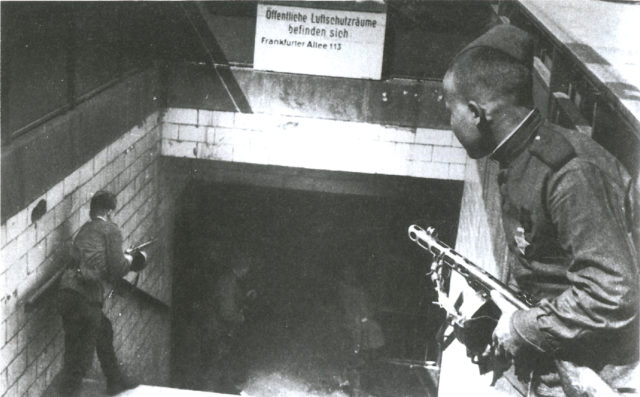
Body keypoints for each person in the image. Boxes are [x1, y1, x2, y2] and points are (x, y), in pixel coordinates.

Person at [441, 24, 639, 395]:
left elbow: (612, 293)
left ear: (476, 112)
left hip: (601, 375)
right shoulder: (521, 159)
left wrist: (522, 328)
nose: (447, 122)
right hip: (561, 361)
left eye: (448, 109)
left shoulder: (569, 172)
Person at [57, 190, 146, 396]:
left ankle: (115, 380)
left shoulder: (85, 230)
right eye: (112, 212)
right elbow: (117, 269)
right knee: (81, 358)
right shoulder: (110, 230)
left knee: (102, 330)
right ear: (107, 211)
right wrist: (132, 260)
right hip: (85, 298)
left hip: (66, 293)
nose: (113, 216)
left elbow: (92, 261)